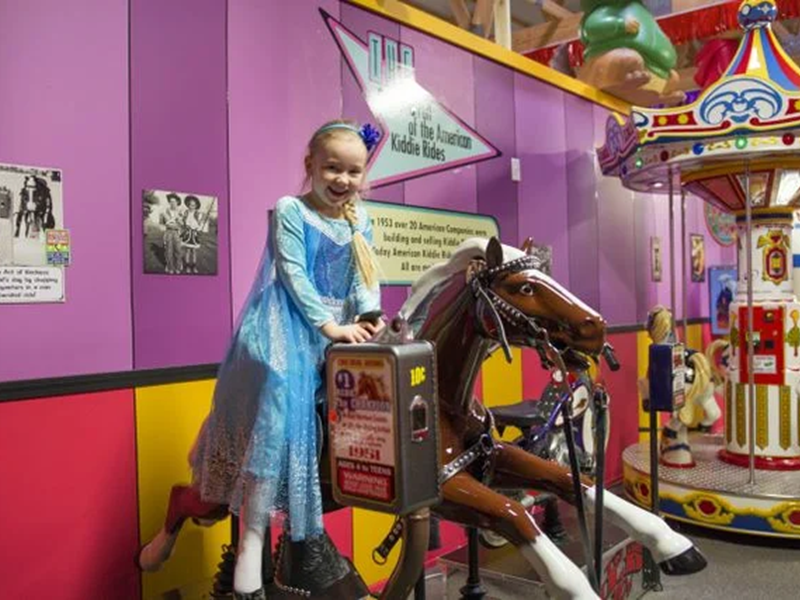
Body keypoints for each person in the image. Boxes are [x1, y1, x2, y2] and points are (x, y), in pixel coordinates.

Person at [138, 119, 384, 599]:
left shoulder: (360, 219)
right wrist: (329, 326)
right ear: (310, 165)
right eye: (332, 167)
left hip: (334, 334)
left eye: (353, 172)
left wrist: (370, 313)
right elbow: (293, 272)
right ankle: (251, 543)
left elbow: (362, 277)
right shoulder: (293, 210)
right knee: (278, 390)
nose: (342, 180)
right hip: (283, 328)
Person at [160, 193, 184, 274]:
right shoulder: (164, 212)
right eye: (170, 201)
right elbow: (162, 225)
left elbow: (182, 224)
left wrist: (179, 221)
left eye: (174, 201)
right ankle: (170, 267)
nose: (172, 203)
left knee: (178, 250)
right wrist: (165, 233)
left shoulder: (180, 212)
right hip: (168, 232)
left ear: (177, 202)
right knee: (168, 250)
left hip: (177, 232)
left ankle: (178, 266)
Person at [181, 194, 205, 274]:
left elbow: (200, 223)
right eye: (191, 205)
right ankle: (187, 266)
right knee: (187, 250)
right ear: (188, 205)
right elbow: (183, 222)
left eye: (194, 205)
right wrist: (184, 224)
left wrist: (199, 226)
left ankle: (194, 266)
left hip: (194, 234)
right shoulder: (186, 213)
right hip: (188, 233)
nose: (192, 206)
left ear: (196, 206)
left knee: (194, 251)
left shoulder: (198, 214)